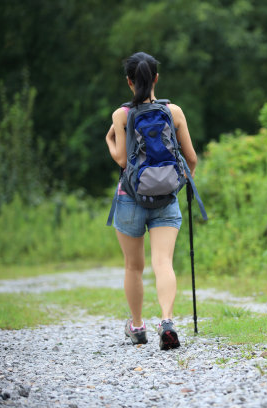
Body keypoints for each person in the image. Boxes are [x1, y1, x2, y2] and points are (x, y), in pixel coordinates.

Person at [105, 52, 197, 350]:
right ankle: (167, 321)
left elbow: (121, 159)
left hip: (130, 198)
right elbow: (191, 159)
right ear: (156, 78)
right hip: (166, 198)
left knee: (134, 266)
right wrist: (178, 184)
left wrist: (110, 139)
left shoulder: (121, 115)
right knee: (163, 262)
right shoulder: (174, 111)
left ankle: (137, 326)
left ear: (129, 81)